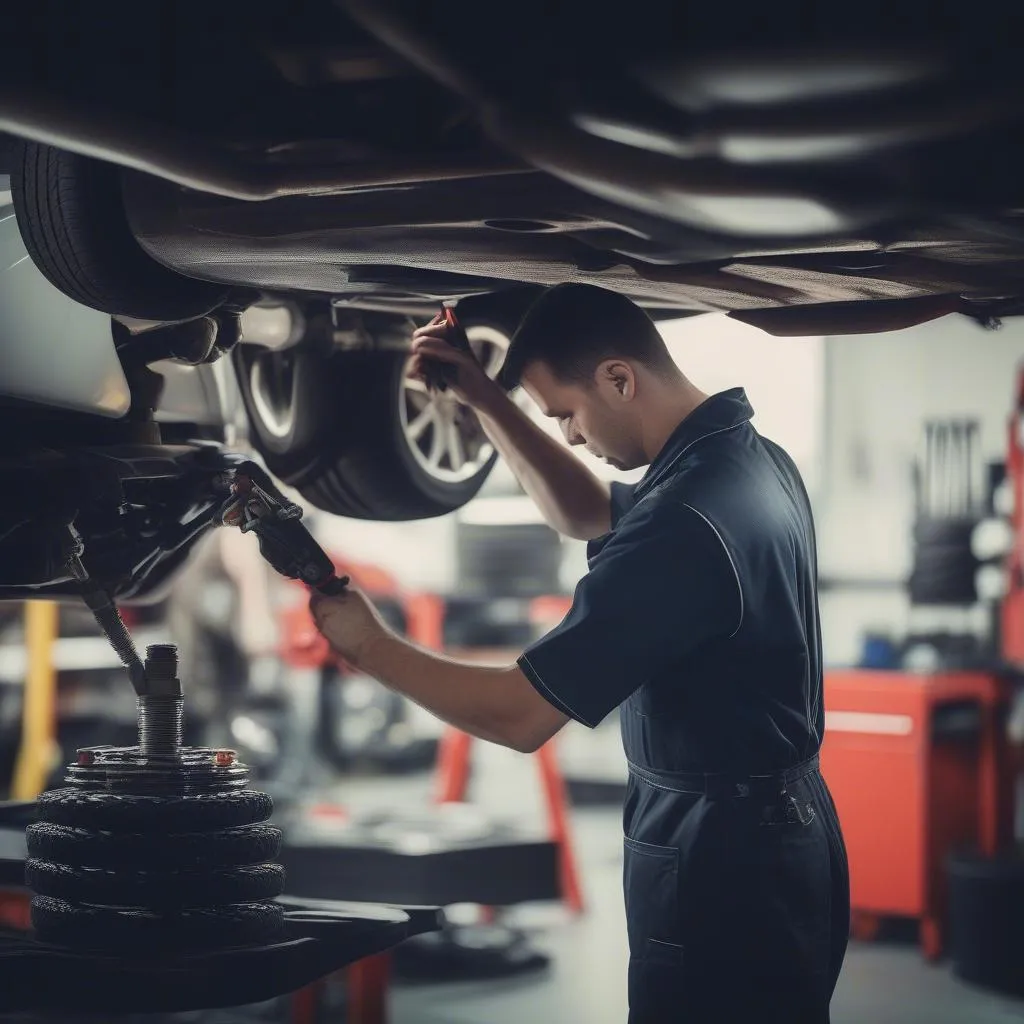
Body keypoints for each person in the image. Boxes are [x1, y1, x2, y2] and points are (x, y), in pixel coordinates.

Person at [309, 283, 850, 1023]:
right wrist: (485, 400)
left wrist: (369, 645)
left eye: (564, 413)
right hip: (783, 832)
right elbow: (586, 511)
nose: (565, 434)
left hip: (723, 858)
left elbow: (518, 716)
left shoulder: (683, 527)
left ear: (619, 378)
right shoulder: (745, 462)